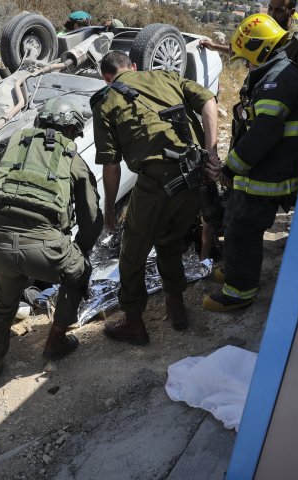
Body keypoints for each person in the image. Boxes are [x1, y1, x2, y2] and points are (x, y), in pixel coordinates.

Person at [0, 98, 103, 395]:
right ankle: (55, 341)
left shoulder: (7, 145)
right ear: (71, 129)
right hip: (46, 246)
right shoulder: (73, 159)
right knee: (78, 273)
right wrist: (77, 251)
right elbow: (92, 219)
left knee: (3, 307)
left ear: (41, 121)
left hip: (0, 244)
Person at [91, 51, 219, 343]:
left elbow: (110, 166)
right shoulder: (166, 75)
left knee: (132, 252)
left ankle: (134, 322)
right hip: (195, 176)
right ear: (134, 67)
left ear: (106, 78)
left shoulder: (105, 100)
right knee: (170, 240)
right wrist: (211, 153)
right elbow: (209, 102)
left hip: (157, 182)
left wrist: (109, 209)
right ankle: (176, 307)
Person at [202, 13, 298, 312]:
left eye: (247, 58)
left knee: (242, 231)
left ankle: (238, 293)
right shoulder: (274, 72)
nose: (246, 64)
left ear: (260, 50)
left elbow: (262, 134)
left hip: (266, 177)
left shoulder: (279, 80)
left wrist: (230, 167)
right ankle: (239, 271)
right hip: (258, 173)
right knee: (237, 224)